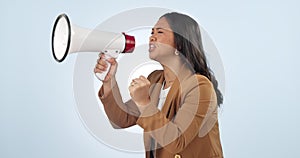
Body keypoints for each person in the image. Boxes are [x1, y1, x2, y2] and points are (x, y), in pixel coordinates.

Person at [94, 12, 223, 158]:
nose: (152, 37)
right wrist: (108, 81)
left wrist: (144, 103)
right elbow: (120, 120)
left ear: (179, 43)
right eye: (151, 32)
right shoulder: (155, 80)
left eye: (159, 32)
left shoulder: (200, 87)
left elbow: (177, 141)